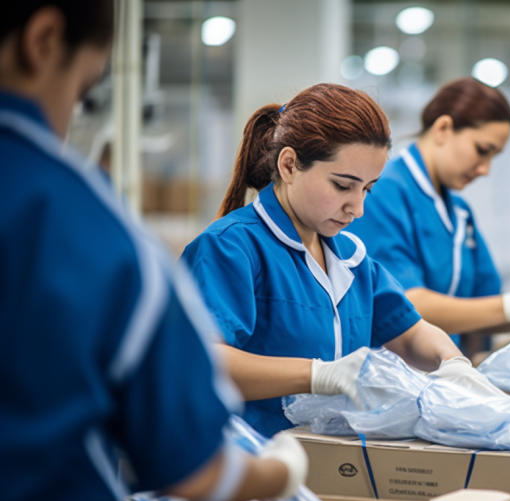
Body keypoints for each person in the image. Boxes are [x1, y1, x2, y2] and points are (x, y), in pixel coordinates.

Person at [0, 2, 306, 501]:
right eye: (85, 88)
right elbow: (191, 468)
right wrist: (287, 468)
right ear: (43, 39)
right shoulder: (82, 228)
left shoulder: (352, 254)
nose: (357, 207)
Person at [181, 83, 485, 437]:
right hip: (248, 461)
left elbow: (410, 334)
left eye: (367, 189)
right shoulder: (231, 249)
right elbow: (201, 361)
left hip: (327, 463)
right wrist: (319, 375)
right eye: (343, 186)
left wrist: (453, 364)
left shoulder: (350, 258)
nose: (357, 208)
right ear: (290, 165)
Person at [346, 78, 510, 345]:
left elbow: (484, 307)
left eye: (494, 157)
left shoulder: (459, 213)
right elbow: (403, 302)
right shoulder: (382, 192)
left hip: (441, 373)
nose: (485, 170)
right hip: (392, 373)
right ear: (443, 129)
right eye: (482, 151)